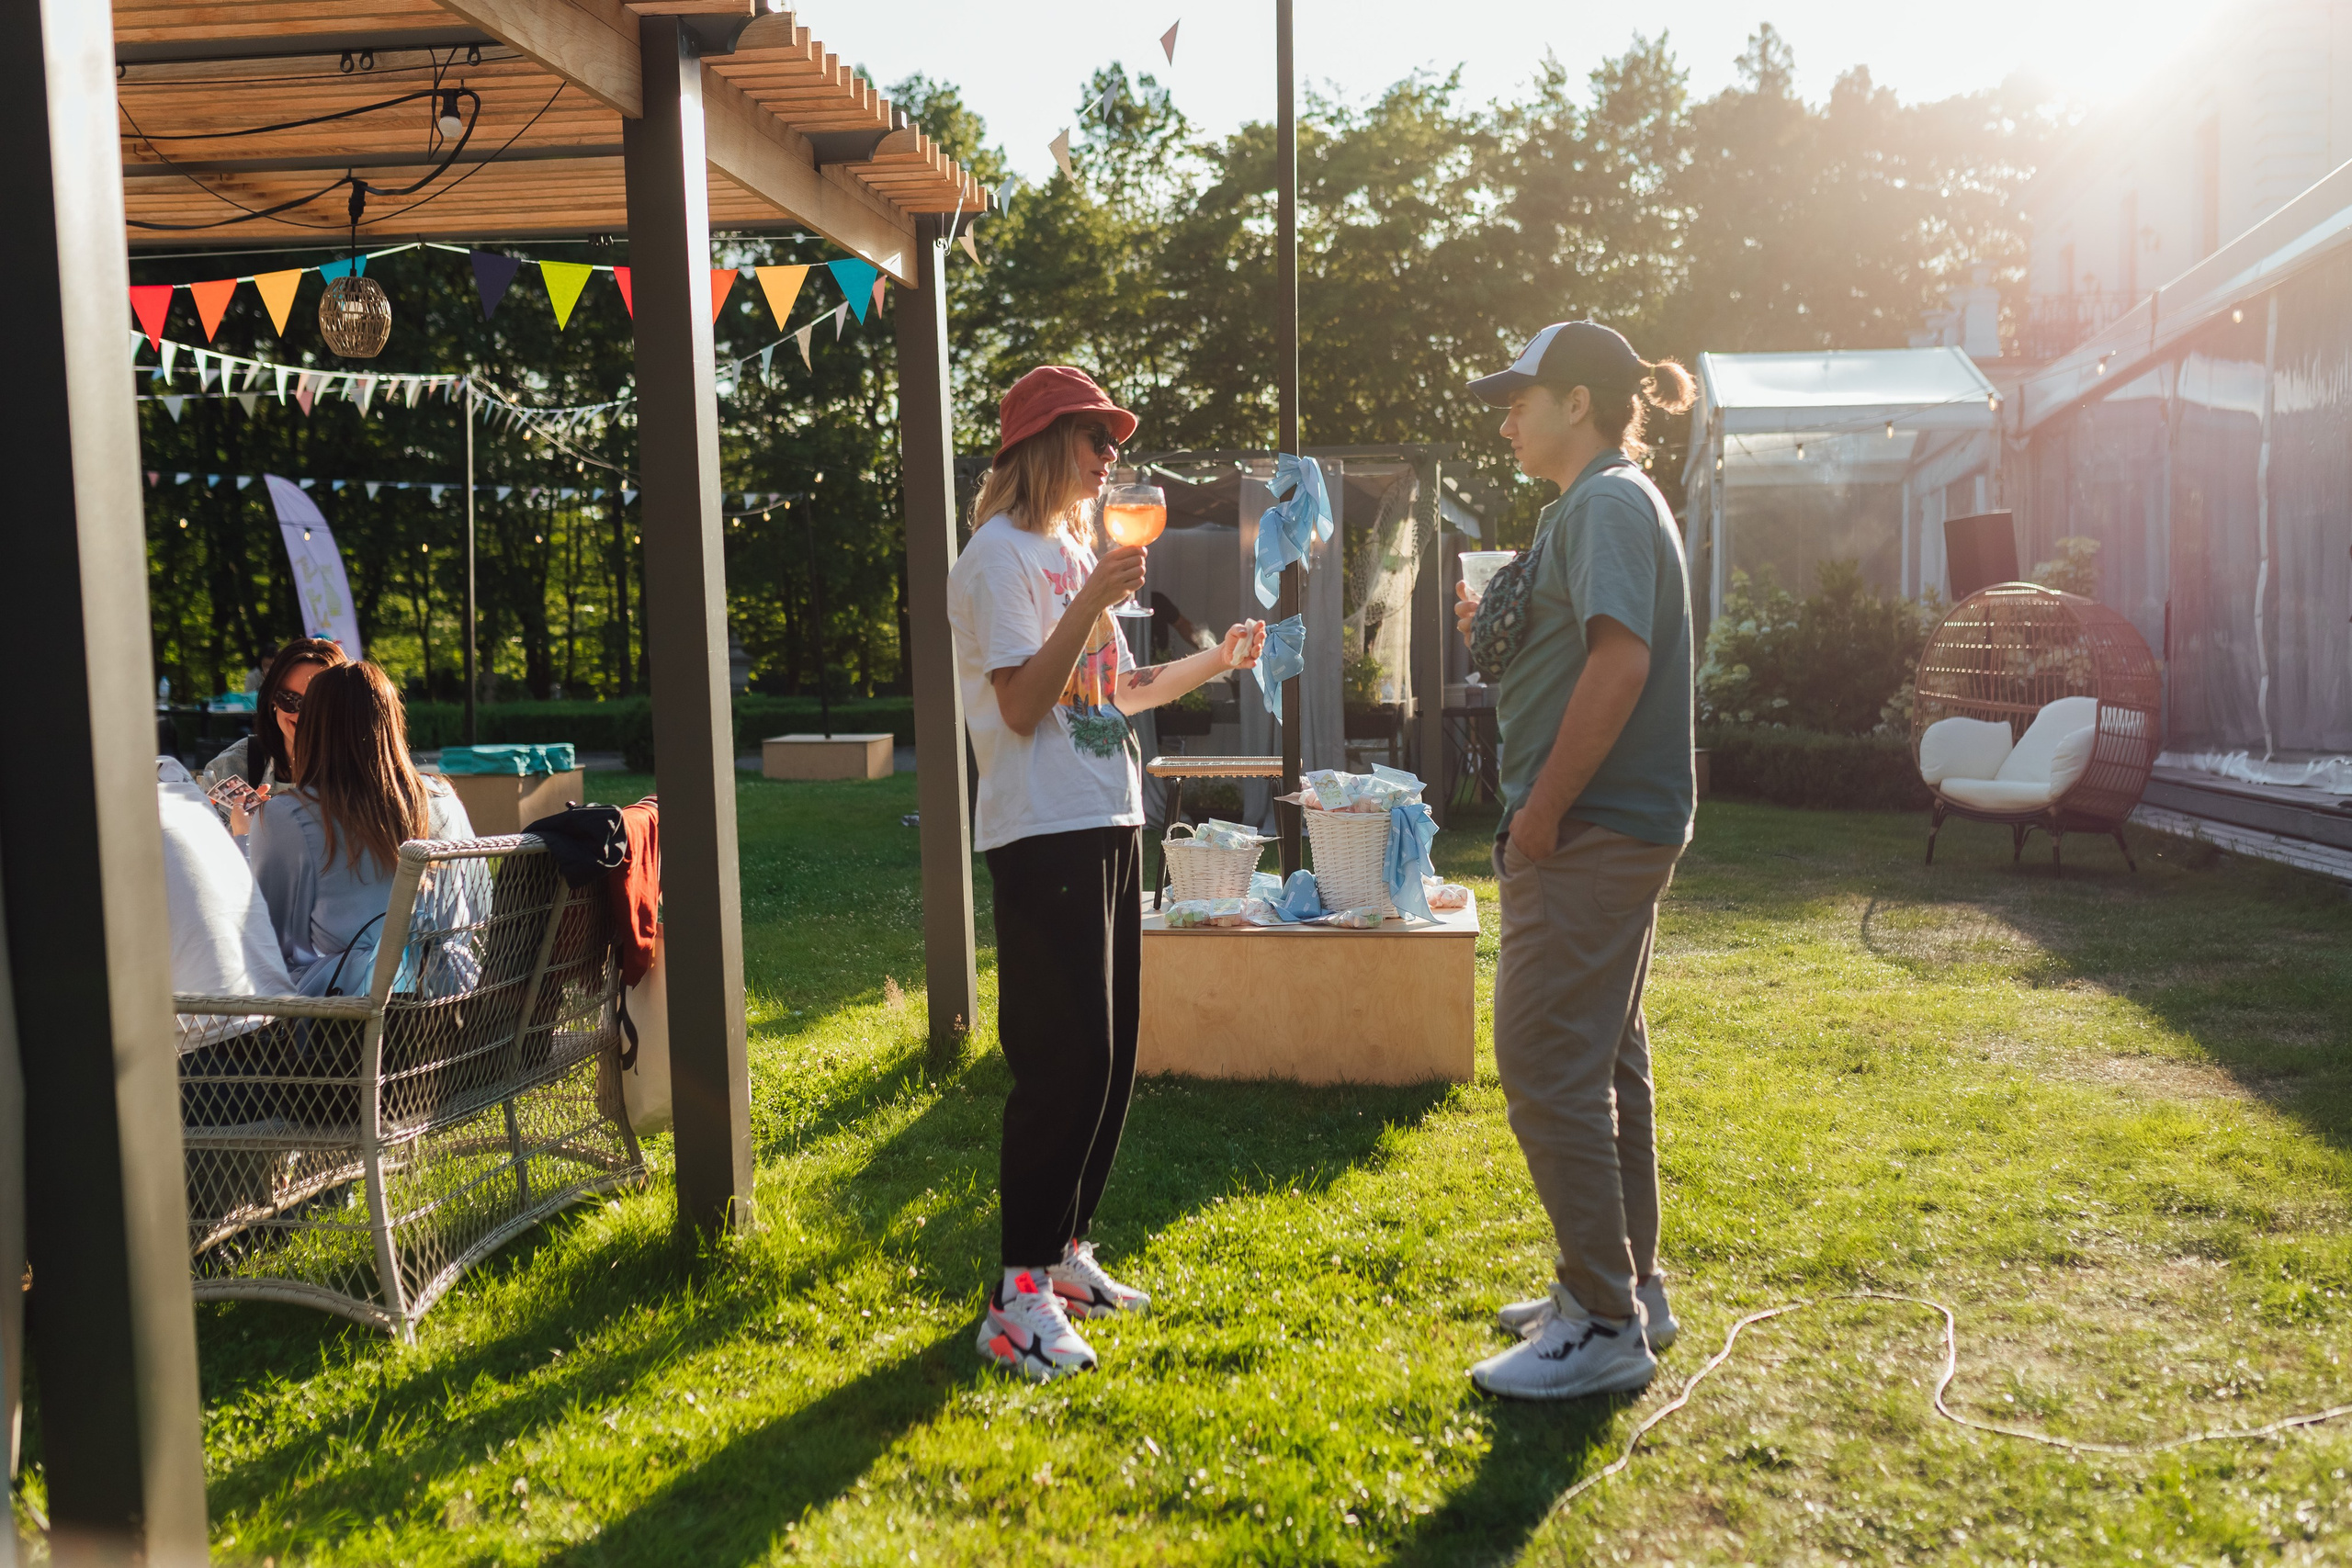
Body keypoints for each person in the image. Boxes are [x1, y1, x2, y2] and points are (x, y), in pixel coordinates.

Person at [946, 365, 1267, 1382]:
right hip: (1040, 827)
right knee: (1064, 1057)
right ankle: (1016, 1297)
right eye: (1095, 439)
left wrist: (1216, 662)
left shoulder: (1075, 550)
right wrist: (1089, 597)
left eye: (1115, 442)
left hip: (1109, 813)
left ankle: (1065, 1253)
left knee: (1113, 1052)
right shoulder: (997, 559)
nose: (1110, 457)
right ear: (1045, 444)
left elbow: (1113, 692)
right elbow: (1020, 706)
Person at [1452, 321, 1699, 1401]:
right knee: (1602, 1063)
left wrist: (1543, 814)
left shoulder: (1604, 502)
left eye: (1521, 399)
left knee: (1546, 1062)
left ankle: (1600, 1322)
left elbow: (1620, 662)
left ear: (1580, 403)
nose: (1506, 419)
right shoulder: (1592, 504)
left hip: (1589, 825)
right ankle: (1628, 1288)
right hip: (1612, 823)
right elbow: (1576, 644)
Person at [249, 661, 473, 997]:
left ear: (313, 728)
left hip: (347, 1014)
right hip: (453, 1000)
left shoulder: (289, 816)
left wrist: (243, 836)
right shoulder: (442, 798)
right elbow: (473, 909)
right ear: (392, 722)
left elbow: (269, 946)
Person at [199, 638, 348, 835]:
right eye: (289, 700)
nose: (303, 715)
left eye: (317, 703)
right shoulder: (229, 768)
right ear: (272, 700)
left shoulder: (365, 772)